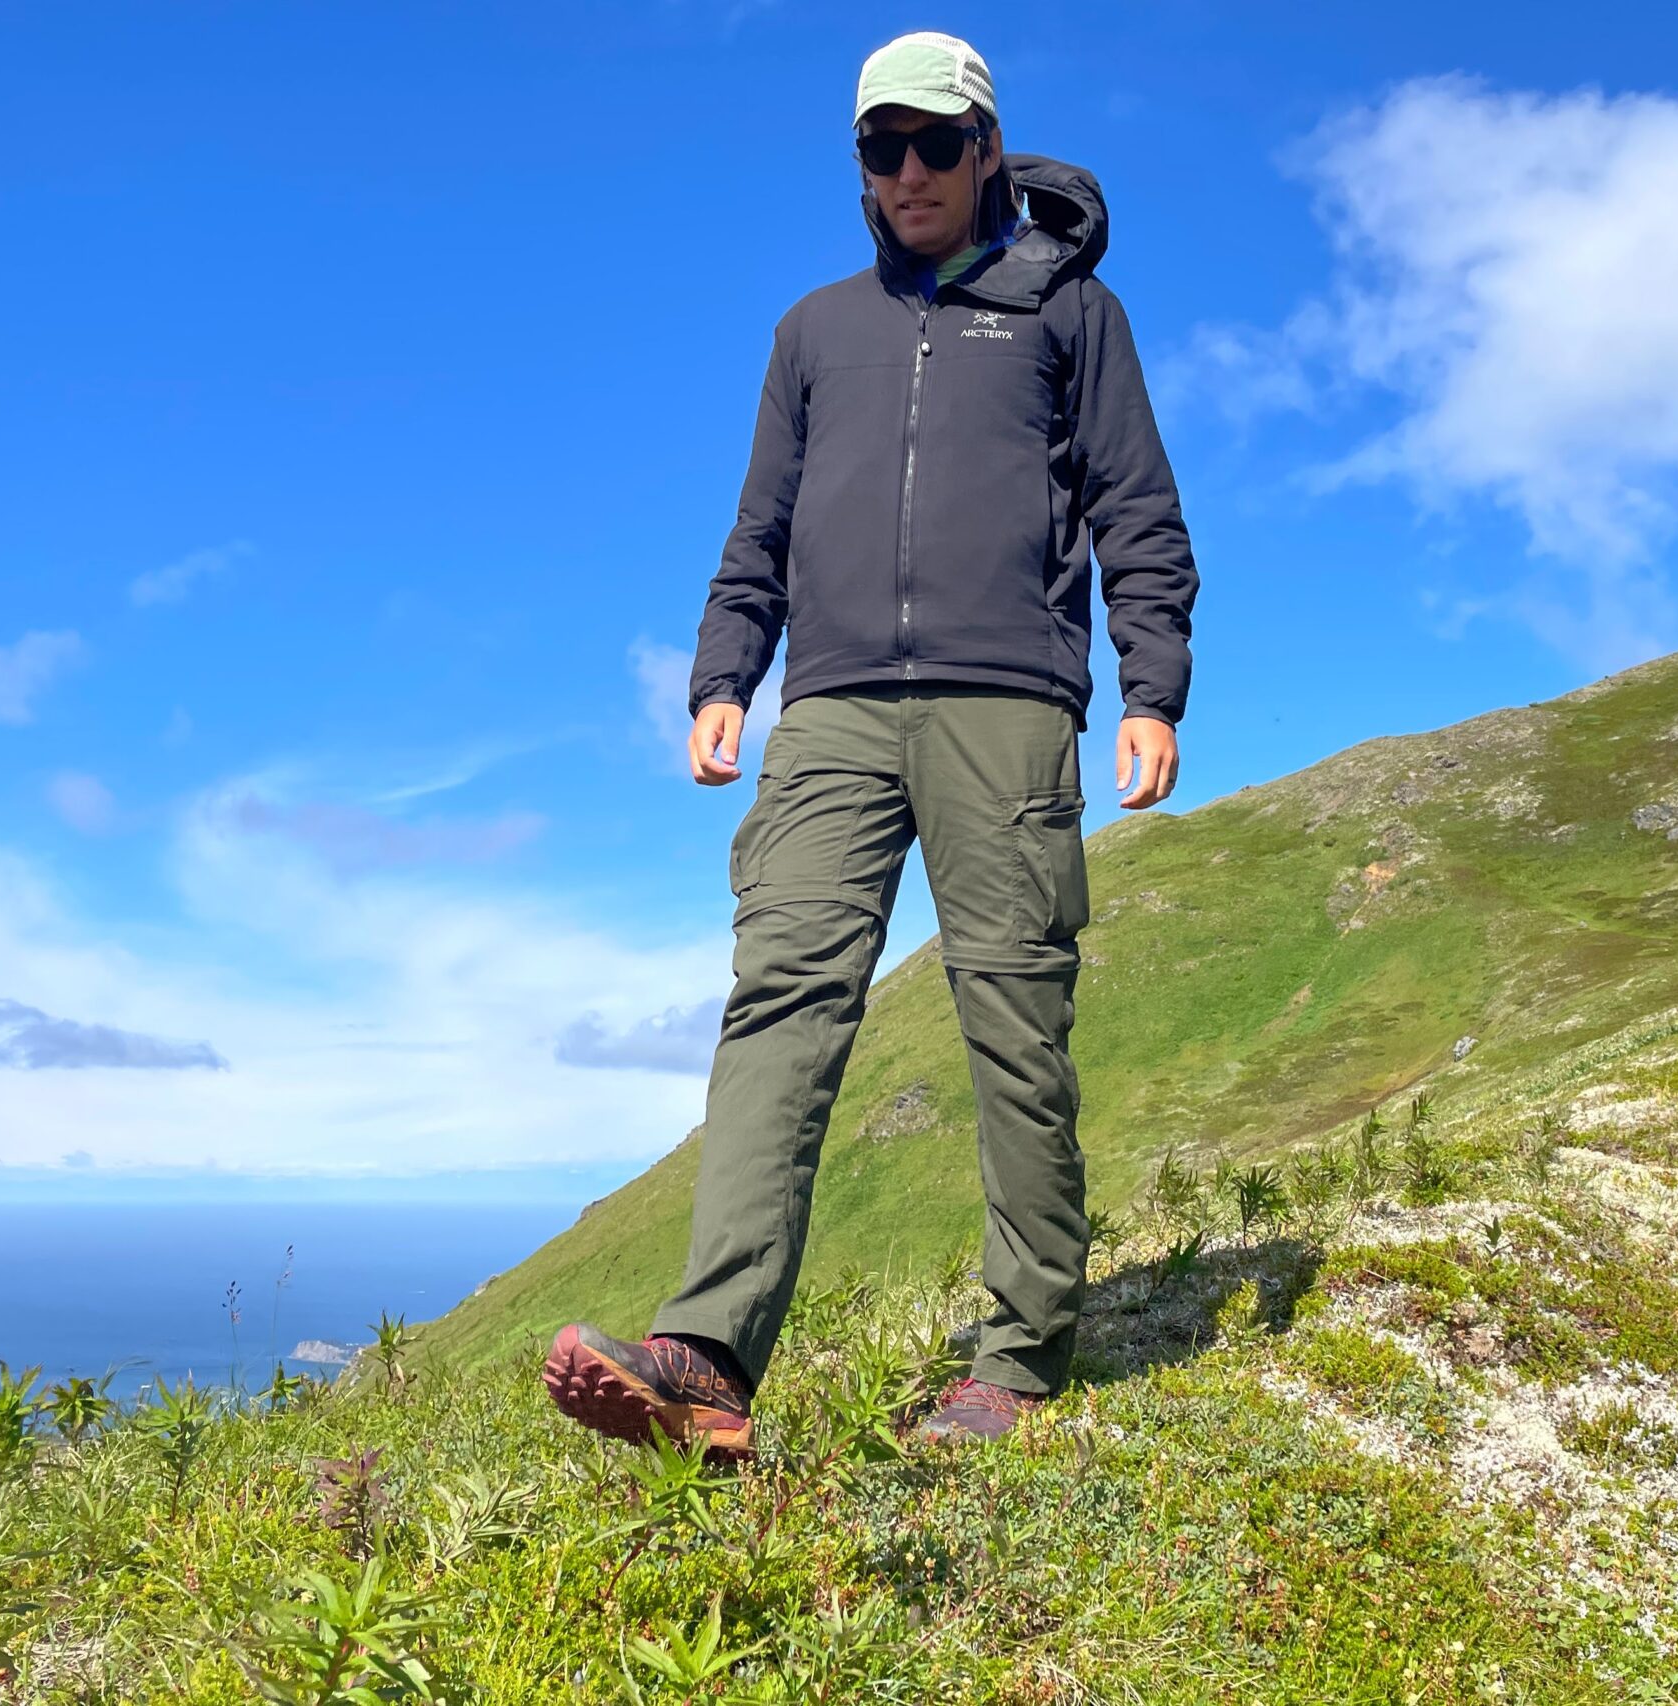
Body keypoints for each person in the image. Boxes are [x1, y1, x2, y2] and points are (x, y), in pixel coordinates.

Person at [543, 30, 1198, 1457]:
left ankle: (1018, 1357)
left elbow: (1139, 507)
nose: (907, 171)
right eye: (879, 148)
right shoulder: (812, 331)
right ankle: (707, 1354)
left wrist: (1155, 686)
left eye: (933, 144)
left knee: (1012, 1022)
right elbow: (759, 528)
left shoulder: (1071, 314)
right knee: (779, 998)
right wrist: (728, 670)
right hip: (829, 710)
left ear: (986, 152)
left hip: (1008, 703)